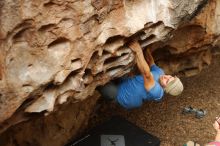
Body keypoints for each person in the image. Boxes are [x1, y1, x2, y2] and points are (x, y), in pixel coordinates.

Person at [98, 40, 183, 109]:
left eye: (167, 81)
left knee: (100, 80)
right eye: (170, 77)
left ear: (164, 88)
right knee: (119, 70)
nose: (166, 77)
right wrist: (147, 49)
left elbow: (147, 74)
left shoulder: (157, 92)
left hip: (121, 96)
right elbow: (150, 62)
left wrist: (138, 50)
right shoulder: (160, 73)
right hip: (125, 81)